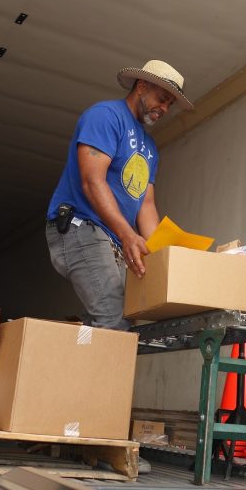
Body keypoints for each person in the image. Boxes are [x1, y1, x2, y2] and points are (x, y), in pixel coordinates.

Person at [46, 60, 194, 330]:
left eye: (170, 104)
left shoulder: (150, 148)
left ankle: (71, 366)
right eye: (161, 99)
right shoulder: (105, 116)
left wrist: (164, 255)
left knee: (122, 316)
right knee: (113, 316)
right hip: (83, 227)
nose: (164, 109)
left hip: (112, 238)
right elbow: (92, 182)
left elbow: (146, 206)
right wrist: (128, 235)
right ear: (141, 86)